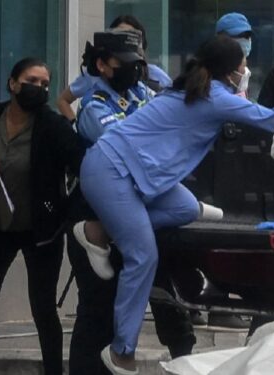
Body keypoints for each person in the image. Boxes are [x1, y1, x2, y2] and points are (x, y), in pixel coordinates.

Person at [79, 35, 274, 374]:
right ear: (230, 70)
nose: (245, 71)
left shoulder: (190, 88)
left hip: (127, 170)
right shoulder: (215, 97)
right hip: (111, 172)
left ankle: (100, 229)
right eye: (241, 66)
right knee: (143, 256)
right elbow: (271, 119)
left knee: (187, 208)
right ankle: (121, 350)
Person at [67, 29, 196, 374]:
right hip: (100, 204)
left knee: (186, 211)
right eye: (124, 63)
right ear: (102, 65)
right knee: (97, 310)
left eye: (138, 63)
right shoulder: (95, 105)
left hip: (139, 206)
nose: (135, 70)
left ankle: (102, 232)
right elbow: (133, 150)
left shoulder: (142, 93)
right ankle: (111, 356)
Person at [0, 57, 84, 375]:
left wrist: (66, 212)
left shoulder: (53, 126)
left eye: (44, 84)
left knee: (43, 308)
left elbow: (83, 165)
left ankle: (52, 371)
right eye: (31, 81)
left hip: (42, 231)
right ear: (13, 83)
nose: (38, 88)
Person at [56, 15, 172, 121]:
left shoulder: (154, 77)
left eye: (131, 36)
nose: (125, 42)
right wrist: (76, 127)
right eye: (120, 35)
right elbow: (63, 100)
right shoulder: (93, 85)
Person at [216, 13, 252, 99]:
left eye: (247, 36)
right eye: (240, 36)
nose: (245, 40)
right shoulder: (213, 80)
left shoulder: (244, 74)